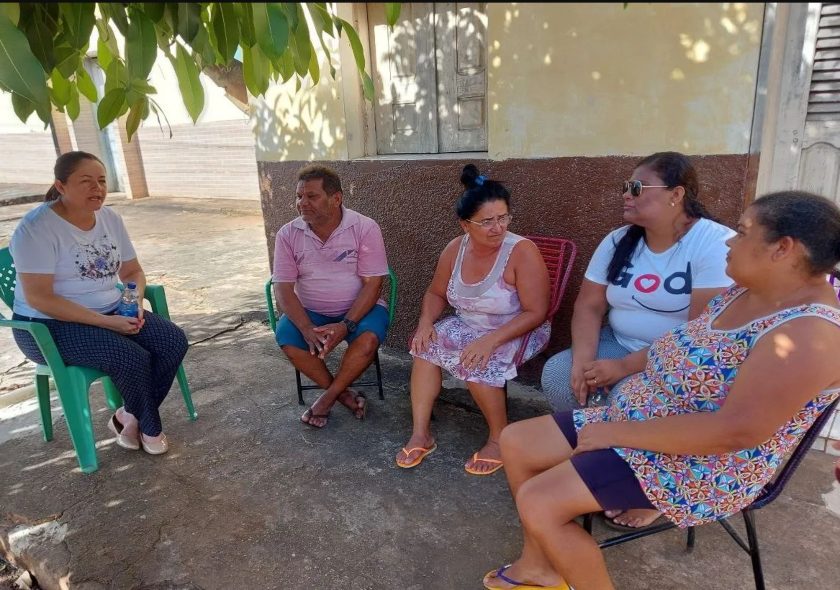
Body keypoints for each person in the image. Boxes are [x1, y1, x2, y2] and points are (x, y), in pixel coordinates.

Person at [483, 191, 840, 590]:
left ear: (783, 249)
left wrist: (615, 434)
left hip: (703, 464)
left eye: (741, 233)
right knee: (517, 441)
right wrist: (623, 366)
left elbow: (736, 432)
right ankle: (539, 566)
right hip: (644, 420)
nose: (729, 242)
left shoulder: (809, 334)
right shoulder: (747, 292)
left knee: (540, 500)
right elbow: (684, 345)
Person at [540, 152, 734, 528]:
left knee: (631, 396)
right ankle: (600, 465)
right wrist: (583, 361)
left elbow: (697, 334)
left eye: (636, 187)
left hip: (678, 359)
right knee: (560, 375)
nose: (626, 195)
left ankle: (648, 487)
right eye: (625, 187)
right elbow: (589, 306)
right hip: (619, 341)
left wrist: (624, 367)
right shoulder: (618, 241)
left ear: (676, 194)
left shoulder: (712, 243)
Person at [9, 151, 188, 455]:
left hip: (111, 309)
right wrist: (107, 322)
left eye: (102, 181)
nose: (98, 188)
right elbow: (40, 298)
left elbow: (131, 272)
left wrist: (133, 303)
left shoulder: (109, 219)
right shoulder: (36, 228)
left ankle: (128, 417)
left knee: (172, 341)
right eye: (86, 181)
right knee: (130, 357)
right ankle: (151, 429)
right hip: (47, 325)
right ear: (61, 186)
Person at [395, 165, 550, 475]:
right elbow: (435, 293)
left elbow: (536, 312)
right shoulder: (455, 248)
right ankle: (421, 434)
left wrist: (490, 341)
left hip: (518, 327)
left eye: (503, 218)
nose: (498, 228)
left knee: (477, 360)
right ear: (465, 225)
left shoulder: (521, 251)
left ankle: (498, 439)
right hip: (469, 323)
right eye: (487, 221)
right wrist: (425, 323)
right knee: (424, 346)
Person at [272, 164, 390, 428]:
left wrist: (345, 325)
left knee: (368, 341)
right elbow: (282, 287)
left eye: (311, 196)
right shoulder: (288, 234)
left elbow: (373, 285)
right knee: (288, 338)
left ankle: (328, 398)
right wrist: (305, 328)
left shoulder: (364, 227)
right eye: (299, 196)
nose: (302, 203)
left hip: (361, 309)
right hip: (310, 311)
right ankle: (343, 395)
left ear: (336, 198)